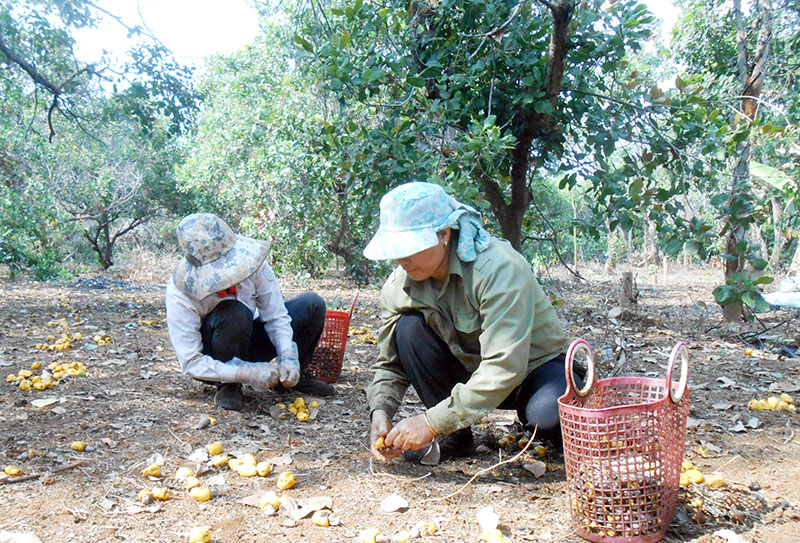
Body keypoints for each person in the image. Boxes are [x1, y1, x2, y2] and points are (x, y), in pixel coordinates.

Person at [363, 182, 572, 464]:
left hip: (532, 370)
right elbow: (389, 363)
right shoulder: (399, 287)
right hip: (472, 371)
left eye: (410, 247)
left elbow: (504, 366)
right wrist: (380, 411)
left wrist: (431, 422)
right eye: (396, 249)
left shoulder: (498, 269)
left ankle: (567, 401)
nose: (402, 259)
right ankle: (456, 437)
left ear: (444, 235)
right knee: (408, 328)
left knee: (547, 418)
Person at [165, 213, 334, 411]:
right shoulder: (181, 292)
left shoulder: (255, 266)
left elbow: (276, 316)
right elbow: (191, 361)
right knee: (233, 310)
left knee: (312, 304)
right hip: (216, 353)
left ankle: (294, 378)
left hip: (252, 337)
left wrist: (288, 356)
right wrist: (243, 373)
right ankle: (229, 386)